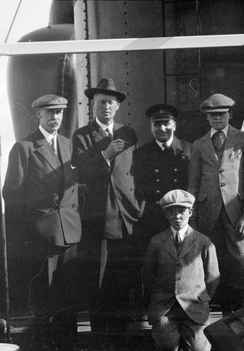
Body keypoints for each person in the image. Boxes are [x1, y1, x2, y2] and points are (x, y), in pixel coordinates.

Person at [3, 94, 82, 350]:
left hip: (69, 232)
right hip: (41, 237)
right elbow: (11, 194)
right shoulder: (24, 147)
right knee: (44, 297)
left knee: (68, 294)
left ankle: (67, 345)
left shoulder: (69, 145)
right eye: (49, 113)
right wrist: (28, 233)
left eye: (58, 113)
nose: (54, 118)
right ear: (38, 115)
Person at [71, 78, 142, 344]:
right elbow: (79, 175)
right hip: (98, 220)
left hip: (125, 217)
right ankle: (101, 339)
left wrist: (137, 207)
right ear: (93, 106)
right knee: (97, 281)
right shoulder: (82, 135)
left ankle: (122, 338)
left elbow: (135, 174)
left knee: (122, 280)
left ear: (118, 107)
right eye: (101, 102)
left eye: (111, 103)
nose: (106, 107)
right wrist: (104, 156)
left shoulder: (129, 133)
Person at [187, 93, 244, 313]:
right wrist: (192, 215)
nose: (217, 119)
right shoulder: (199, 145)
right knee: (212, 263)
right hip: (208, 212)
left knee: (243, 262)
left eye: (221, 114)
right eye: (212, 115)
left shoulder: (243, 138)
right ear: (207, 118)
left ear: (230, 114)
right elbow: (193, 182)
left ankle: (240, 311)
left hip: (236, 212)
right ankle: (214, 315)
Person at [142, 189, 220, 351]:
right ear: (166, 215)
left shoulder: (203, 242)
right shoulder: (156, 242)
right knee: (167, 345)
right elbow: (148, 276)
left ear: (190, 212)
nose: (177, 216)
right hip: (165, 307)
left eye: (182, 211)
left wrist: (202, 298)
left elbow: (213, 276)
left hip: (195, 306)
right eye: (171, 212)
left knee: (200, 349)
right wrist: (156, 301)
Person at [132, 103, 193, 240]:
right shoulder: (141, 153)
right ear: (151, 127)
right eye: (156, 124)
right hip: (153, 217)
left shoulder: (189, 150)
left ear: (174, 126)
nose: (162, 128)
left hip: (181, 217)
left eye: (166, 123)